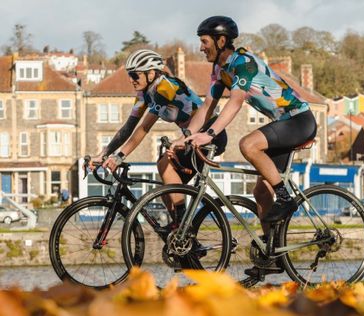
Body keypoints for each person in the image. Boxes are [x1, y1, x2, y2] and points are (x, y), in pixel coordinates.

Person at [169, 16, 317, 276]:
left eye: (204, 42)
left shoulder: (244, 63)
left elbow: (235, 103)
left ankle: (286, 198)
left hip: (298, 120)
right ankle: (273, 256)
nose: (201, 47)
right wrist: (186, 136)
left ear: (221, 40)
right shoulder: (220, 70)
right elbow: (206, 108)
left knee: (248, 144)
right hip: (283, 124)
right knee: (260, 192)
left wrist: (210, 133)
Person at [92, 49, 227, 224]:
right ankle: (180, 233)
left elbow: (144, 128)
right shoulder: (145, 95)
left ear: (151, 74)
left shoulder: (164, 88)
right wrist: (104, 153)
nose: (131, 80)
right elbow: (128, 128)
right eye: (130, 75)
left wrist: (119, 157)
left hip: (209, 134)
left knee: (164, 164)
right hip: (190, 137)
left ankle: (183, 227)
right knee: (166, 190)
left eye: (135, 75)